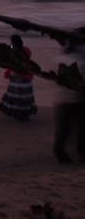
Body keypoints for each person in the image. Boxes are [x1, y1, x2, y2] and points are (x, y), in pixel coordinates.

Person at [53, 28, 85, 164]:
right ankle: (80, 152)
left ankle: (60, 150)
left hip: (64, 97)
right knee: (81, 125)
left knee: (65, 126)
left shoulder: (63, 55)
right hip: (78, 96)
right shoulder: (81, 55)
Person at [0, 35, 37, 120]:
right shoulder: (26, 50)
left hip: (17, 76)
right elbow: (28, 61)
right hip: (26, 77)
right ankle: (24, 114)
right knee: (25, 97)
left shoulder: (14, 51)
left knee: (16, 96)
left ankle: (18, 114)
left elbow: (11, 61)